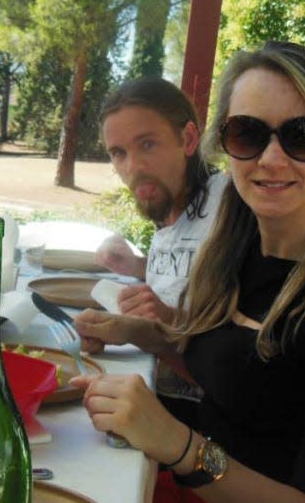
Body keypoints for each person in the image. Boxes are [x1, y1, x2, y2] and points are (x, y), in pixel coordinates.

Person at [72, 41, 305, 503]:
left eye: (303, 134)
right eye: (247, 134)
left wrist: (181, 447)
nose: (272, 159)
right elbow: (231, 373)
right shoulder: (239, 239)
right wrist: (140, 332)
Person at [77, 77, 228, 424]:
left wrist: (160, 323)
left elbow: (238, 355)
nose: (133, 167)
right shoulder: (171, 205)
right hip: (158, 392)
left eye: (147, 144)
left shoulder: (229, 206)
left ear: (188, 139)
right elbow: (190, 275)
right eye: (119, 153)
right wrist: (136, 266)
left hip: (205, 424)